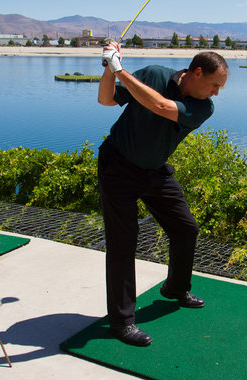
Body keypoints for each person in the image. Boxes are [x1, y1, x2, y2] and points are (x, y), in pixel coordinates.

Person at [97, 41, 228, 346]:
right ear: (196, 73)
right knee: (123, 242)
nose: (217, 93)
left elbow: (161, 106)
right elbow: (106, 99)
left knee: (186, 228)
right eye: (214, 85)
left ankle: (175, 288)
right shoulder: (154, 73)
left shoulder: (203, 107)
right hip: (118, 165)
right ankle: (121, 322)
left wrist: (120, 69)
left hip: (154, 170)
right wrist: (109, 68)